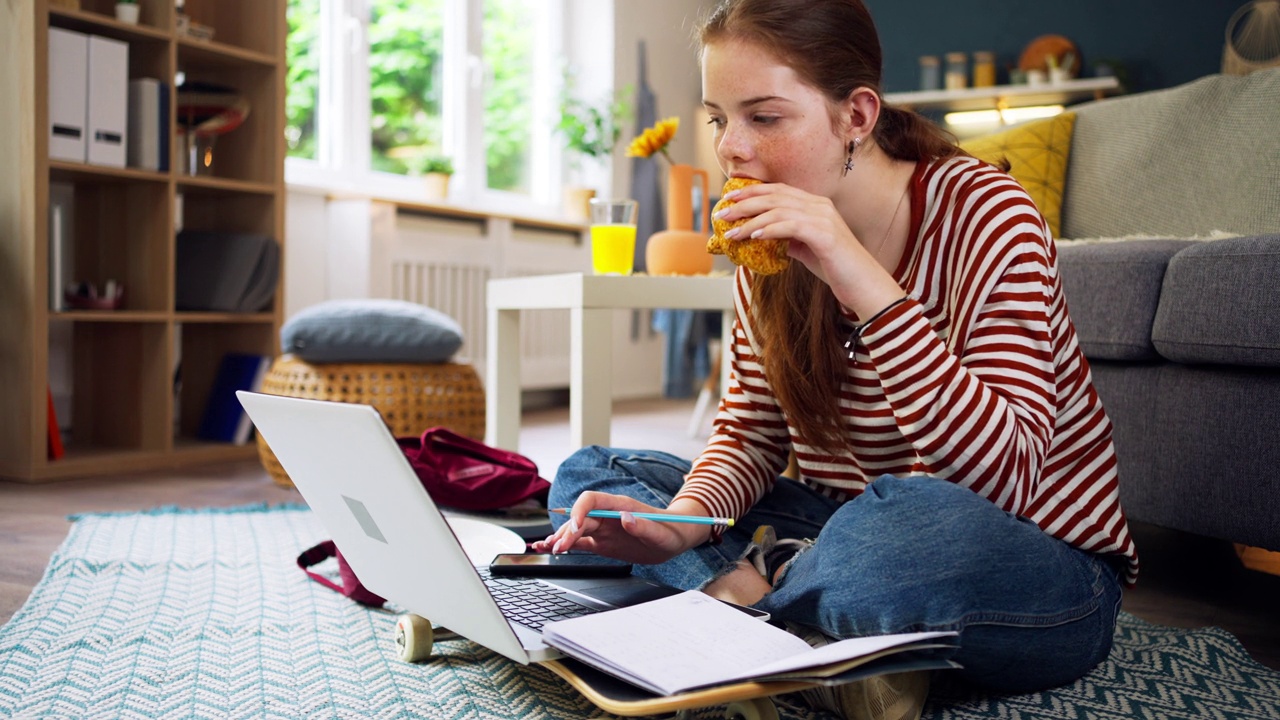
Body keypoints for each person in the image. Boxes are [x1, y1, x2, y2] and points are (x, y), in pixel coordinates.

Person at [534, 0, 1137, 717]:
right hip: (841, 527)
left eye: (764, 117)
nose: (729, 148)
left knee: (904, 526)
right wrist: (684, 523)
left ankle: (752, 603)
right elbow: (751, 435)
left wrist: (850, 267)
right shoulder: (769, 250)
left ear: (855, 116)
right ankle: (810, 628)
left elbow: (1001, 479)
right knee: (594, 480)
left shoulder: (991, 217)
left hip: (1027, 558)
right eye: (720, 118)